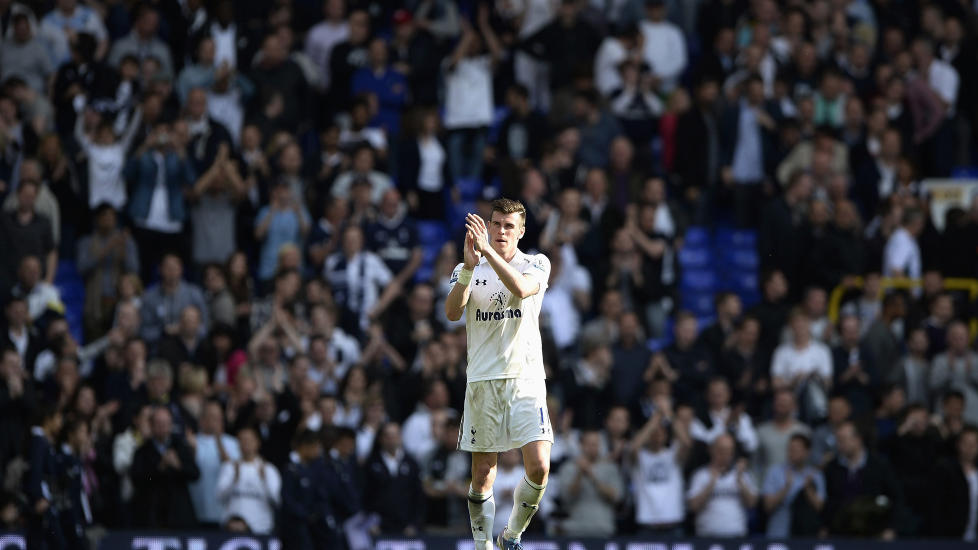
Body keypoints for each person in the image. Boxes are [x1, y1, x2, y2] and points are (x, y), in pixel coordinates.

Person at [444, 198, 553, 550]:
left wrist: (487, 254)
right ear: (488, 226)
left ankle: (512, 535)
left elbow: (521, 290)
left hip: (526, 380)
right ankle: (482, 545)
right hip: (482, 381)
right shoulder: (469, 268)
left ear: (521, 231)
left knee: (539, 466)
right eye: (496, 224)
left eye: (509, 226)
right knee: (483, 474)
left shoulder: (536, 263)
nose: (501, 231)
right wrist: (468, 268)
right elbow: (450, 312)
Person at [822, 421, 904, 538]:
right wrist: (826, 526)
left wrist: (891, 528)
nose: (839, 445)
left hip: (874, 533)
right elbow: (831, 501)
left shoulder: (879, 465)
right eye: (838, 440)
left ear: (858, 439)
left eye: (843, 440)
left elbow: (896, 497)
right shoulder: (833, 467)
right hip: (841, 533)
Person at [129, 406, 200, 528]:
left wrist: (178, 466)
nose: (162, 427)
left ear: (171, 424)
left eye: (166, 423)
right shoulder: (142, 451)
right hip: (152, 516)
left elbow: (195, 474)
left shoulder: (180, 447)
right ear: (151, 425)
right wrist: (159, 467)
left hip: (179, 516)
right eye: (158, 423)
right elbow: (138, 480)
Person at [630, 406, 692, 535]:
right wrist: (654, 420)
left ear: (666, 435)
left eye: (661, 432)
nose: (657, 435)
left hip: (673, 524)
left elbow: (686, 443)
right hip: (647, 525)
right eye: (654, 433)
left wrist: (669, 415)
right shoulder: (641, 457)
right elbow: (633, 447)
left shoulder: (673, 455)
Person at [686, 433, 758, 538]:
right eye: (721, 450)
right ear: (712, 450)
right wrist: (711, 483)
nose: (725, 455)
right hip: (707, 538)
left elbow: (752, 503)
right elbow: (693, 507)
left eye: (729, 451)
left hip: (736, 537)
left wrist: (740, 480)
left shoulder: (741, 474)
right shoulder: (700, 475)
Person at [556, 430, 623, 536]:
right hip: (575, 527)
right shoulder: (568, 468)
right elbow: (566, 498)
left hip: (603, 527)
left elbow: (616, 497)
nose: (592, 447)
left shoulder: (610, 468)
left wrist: (592, 477)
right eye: (589, 444)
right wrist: (579, 474)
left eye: (595, 444)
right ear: (581, 445)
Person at [215, 426, 281, 534]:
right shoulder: (229, 467)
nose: (246, 443)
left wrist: (265, 480)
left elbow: (277, 500)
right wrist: (234, 481)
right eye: (242, 440)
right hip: (232, 527)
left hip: (261, 527)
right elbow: (219, 497)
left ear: (257, 443)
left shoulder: (269, 469)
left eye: (249, 440)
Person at [762, 433, 826, 538]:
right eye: (790, 449)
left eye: (796, 450)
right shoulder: (775, 472)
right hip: (778, 534)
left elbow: (820, 508)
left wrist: (809, 489)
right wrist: (786, 488)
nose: (791, 453)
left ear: (807, 452)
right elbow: (767, 506)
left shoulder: (815, 475)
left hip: (805, 537)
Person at [931, 426, 978, 540]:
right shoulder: (946, 470)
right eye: (966, 443)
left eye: (974, 443)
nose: (970, 448)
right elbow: (937, 506)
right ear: (958, 444)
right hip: (951, 538)